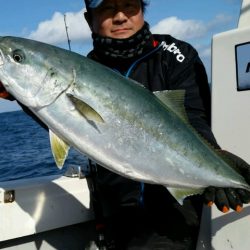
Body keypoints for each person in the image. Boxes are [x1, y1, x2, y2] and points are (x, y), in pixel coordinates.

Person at [82, 0, 250, 249]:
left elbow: (194, 120)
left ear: (142, 9)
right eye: (107, 9)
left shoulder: (174, 55)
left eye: (129, 6)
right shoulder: (85, 70)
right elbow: (68, 126)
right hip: (117, 215)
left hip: (174, 213)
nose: (120, 17)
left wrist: (217, 163)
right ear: (89, 19)